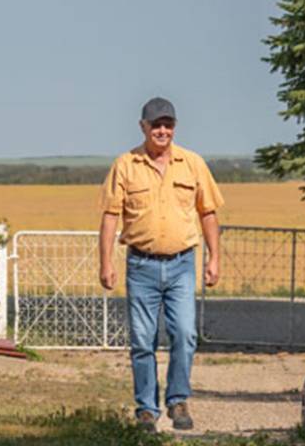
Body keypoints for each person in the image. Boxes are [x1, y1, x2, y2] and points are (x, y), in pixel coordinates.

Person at [97, 97, 224, 432]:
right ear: (143, 127)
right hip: (141, 265)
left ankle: (178, 400)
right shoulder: (125, 164)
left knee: (184, 333)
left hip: (183, 263)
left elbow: (208, 213)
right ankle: (146, 409)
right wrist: (106, 262)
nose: (162, 131)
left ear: (175, 127)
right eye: (156, 125)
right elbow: (110, 217)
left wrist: (214, 257)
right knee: (142, 339)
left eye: (167, 125)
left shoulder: (193, 164)